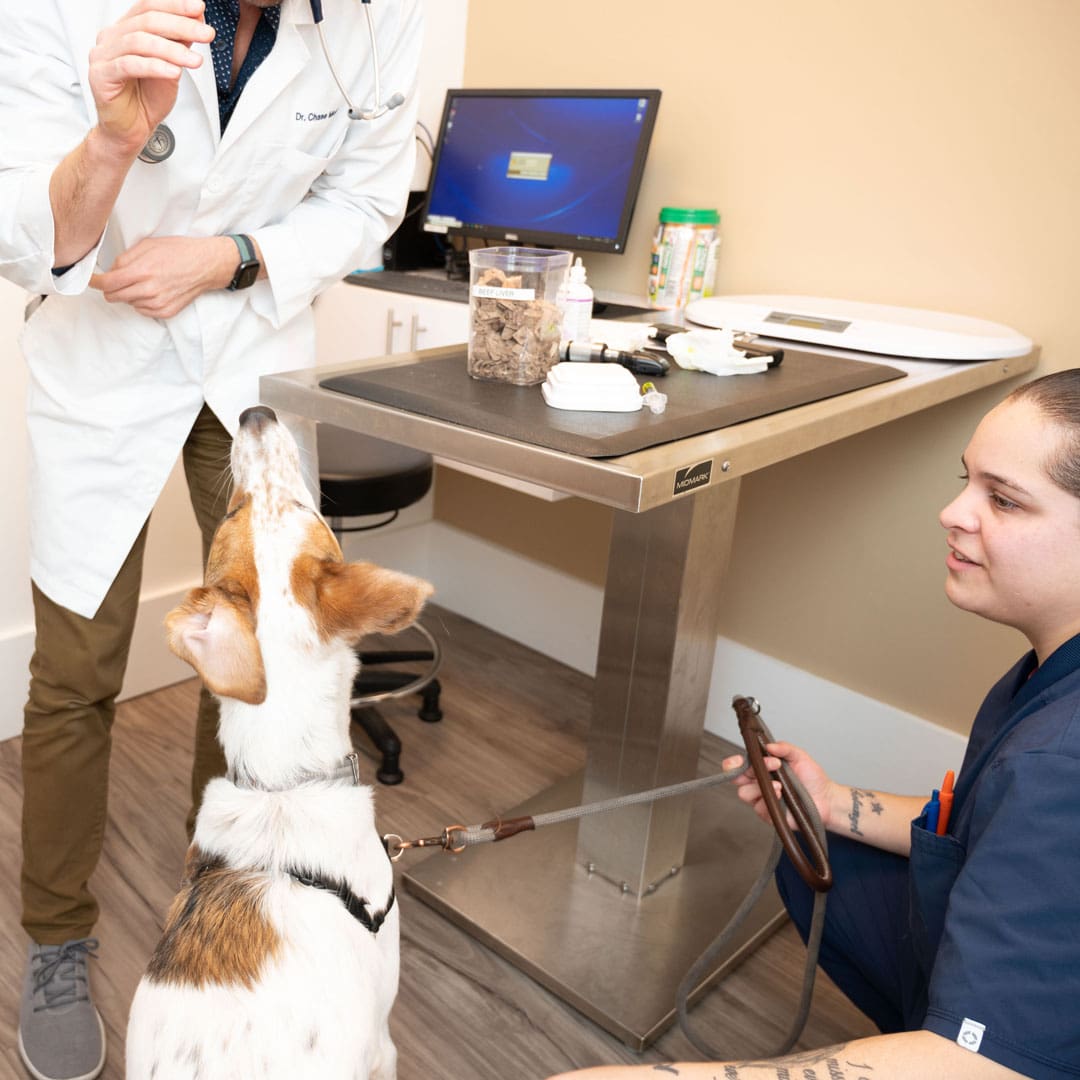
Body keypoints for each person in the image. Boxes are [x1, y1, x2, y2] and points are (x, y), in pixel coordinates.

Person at [0, 1, 422, 1076]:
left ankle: (223, 886)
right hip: (105, 367)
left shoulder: (378, 13)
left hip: (247, 353)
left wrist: (233, 256)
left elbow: (369, 193)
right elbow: (22, 238)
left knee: (262, 660)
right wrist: (108, 144)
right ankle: (58, 938)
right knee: (77, 673)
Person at [549, 369, 1080, 1080]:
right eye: (966, 482)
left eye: (1004, 500)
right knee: (813, 853)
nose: (952, 513)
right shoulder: (1048, 678)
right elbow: (987, 824)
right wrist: (832, 804)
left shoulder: (1057, 764)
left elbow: (983, 1066)